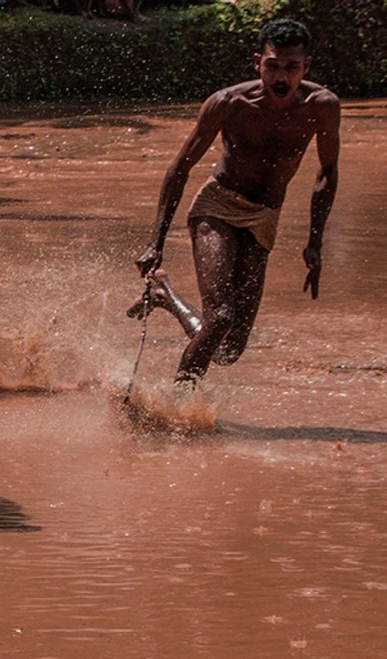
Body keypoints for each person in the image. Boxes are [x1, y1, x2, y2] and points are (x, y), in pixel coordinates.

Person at [129, 18, 340, 386]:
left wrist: (315, 241)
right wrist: (155, 242)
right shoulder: (229, 103)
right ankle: (177, 405)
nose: (281, 76)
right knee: (221, 316)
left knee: (229, 350)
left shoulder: (322, 106)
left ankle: (166, 295)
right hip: (218, 207)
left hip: (264, 218)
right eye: (272, 65)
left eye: (291, 67)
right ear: (257, 61)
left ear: (306, 67)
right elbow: (180, 166)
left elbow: (327, 171)